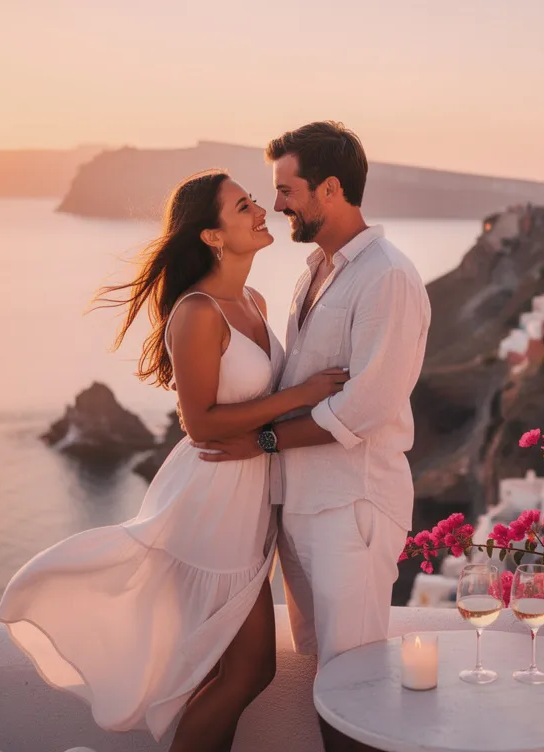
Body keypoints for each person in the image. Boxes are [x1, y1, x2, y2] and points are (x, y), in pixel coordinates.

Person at [0, 169, 348, 751]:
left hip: (246, 500)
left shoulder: (254, 301)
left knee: (226, 672)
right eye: (242, 207)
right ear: (212, 236)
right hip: (210, 504)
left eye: (255, 200)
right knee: (248, 671)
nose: (260, 210)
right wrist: (301, 395)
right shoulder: (198, 311)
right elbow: (200, 421)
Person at [194, 122, 432, 752]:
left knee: (354, 691)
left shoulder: (387, 277)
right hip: (301, 510)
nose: (276, 204)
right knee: (329, 684)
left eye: (286, 188)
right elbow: (303, 384)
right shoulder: (314, 271)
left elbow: (365, 408)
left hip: (351, 509)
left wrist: (266, 443)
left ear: (330, 189)